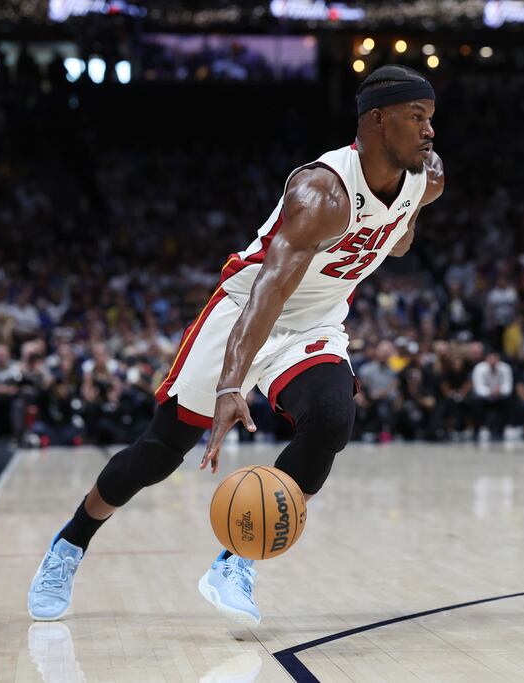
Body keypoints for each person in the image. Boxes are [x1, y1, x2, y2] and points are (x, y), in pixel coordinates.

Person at [27, 65, 445, 626]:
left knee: (330, 418)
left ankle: (235, 562)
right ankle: (69, 545)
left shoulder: (428, 177)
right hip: (245, 313)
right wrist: (231, 382)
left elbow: (396, 242)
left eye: (431, 119)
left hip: (315, 322)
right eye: (416, 117)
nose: (429, 131)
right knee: (160, 453)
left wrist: (404, 216)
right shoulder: (321, 192)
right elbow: (269, 291)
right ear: (376, 121)